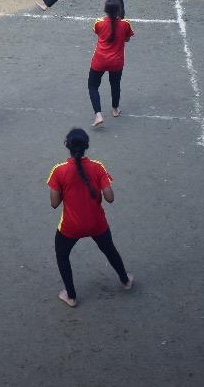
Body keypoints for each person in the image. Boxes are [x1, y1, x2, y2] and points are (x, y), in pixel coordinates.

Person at [47, 128, 133, 307]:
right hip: (97, 223)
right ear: (87, 146)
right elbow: (110, 198)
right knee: (109, 250)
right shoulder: (97, 167)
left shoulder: (59, 171)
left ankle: (71, 296)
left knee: (62, 255)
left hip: (70, 226)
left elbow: (54, 203)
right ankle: (125, 280)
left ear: (66, 146)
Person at [88, 0, 133, 128]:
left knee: (93, 86)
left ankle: (98, 114)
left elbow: (97, 32)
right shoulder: (125, 24)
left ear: (105, 10)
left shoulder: (99, 23)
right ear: (119, 10)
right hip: (116, 62)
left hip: (99, 60)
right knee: (115, 84)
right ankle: (115, 109)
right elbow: (128, 39)